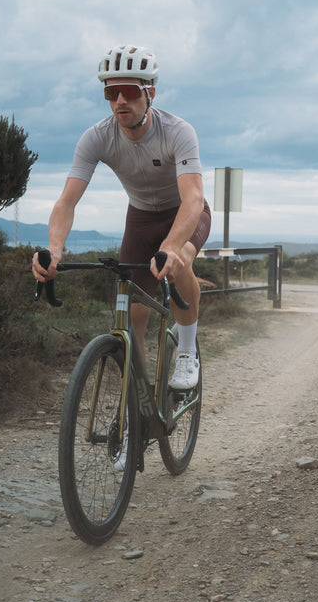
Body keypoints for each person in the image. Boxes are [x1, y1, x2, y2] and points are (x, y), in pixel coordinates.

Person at [32, 44, 210, 390]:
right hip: (140, 219)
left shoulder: (178, 131)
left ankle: (187, 351)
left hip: (183, 214)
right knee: (129, 319)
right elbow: (66, 201)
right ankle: (136, 406)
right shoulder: (96, 137)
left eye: (129, 91)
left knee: (182, 259)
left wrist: (172, 246)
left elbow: (193, 198)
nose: (120, 101)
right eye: (111, 92)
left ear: (150, 94)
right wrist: (54, 249)